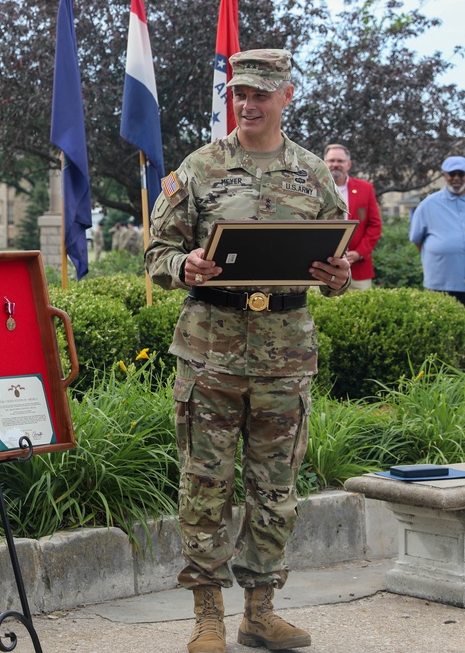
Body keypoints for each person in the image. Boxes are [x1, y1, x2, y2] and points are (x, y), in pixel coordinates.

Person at [144, 49, 352, 653]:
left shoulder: (314, 174)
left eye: (261, 94)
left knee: (276, 488)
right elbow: (157, 256)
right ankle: (207, 614)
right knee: (205, 483)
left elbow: (338, 265)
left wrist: (337, 275)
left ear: (287, 96)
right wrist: (185, 264)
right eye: (240, 94)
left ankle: (259, 611)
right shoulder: (201, 168)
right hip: (211, 353)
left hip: (286, 357)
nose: (249, 104)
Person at [324, 144, 382, 289]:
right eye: (331, 161)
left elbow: (375, 225)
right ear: (324, 163)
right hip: (322, 268)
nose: (335, 164)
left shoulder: (365, 188)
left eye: (340, 161)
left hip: (358, 268)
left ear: (348, 164)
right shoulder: (315, 189)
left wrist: (359, 253)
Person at [409, 155, 465, 304]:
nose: (457, 178)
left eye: (461, 174)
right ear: (444, 175)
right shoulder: (428, 204)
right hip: (441, 281)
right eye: (452, 174)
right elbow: (417, 240)